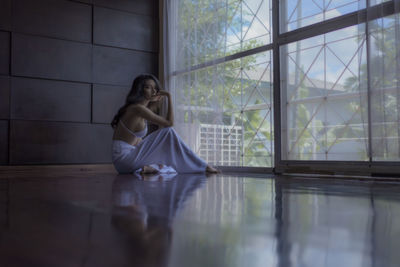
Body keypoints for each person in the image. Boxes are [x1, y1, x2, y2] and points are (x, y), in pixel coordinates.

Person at [111, 74, 219, 174]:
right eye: (148, 87)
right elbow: (169, 123)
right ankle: (203, 166)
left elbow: (137, 142)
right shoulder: (137, 109)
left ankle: (144, 168)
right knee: (168, 132)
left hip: (124, 161)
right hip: (124, 160)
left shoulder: (139, 110)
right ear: (140, 90)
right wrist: (169, 96)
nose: (153, 91)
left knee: (169, 168)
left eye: (155, 88)